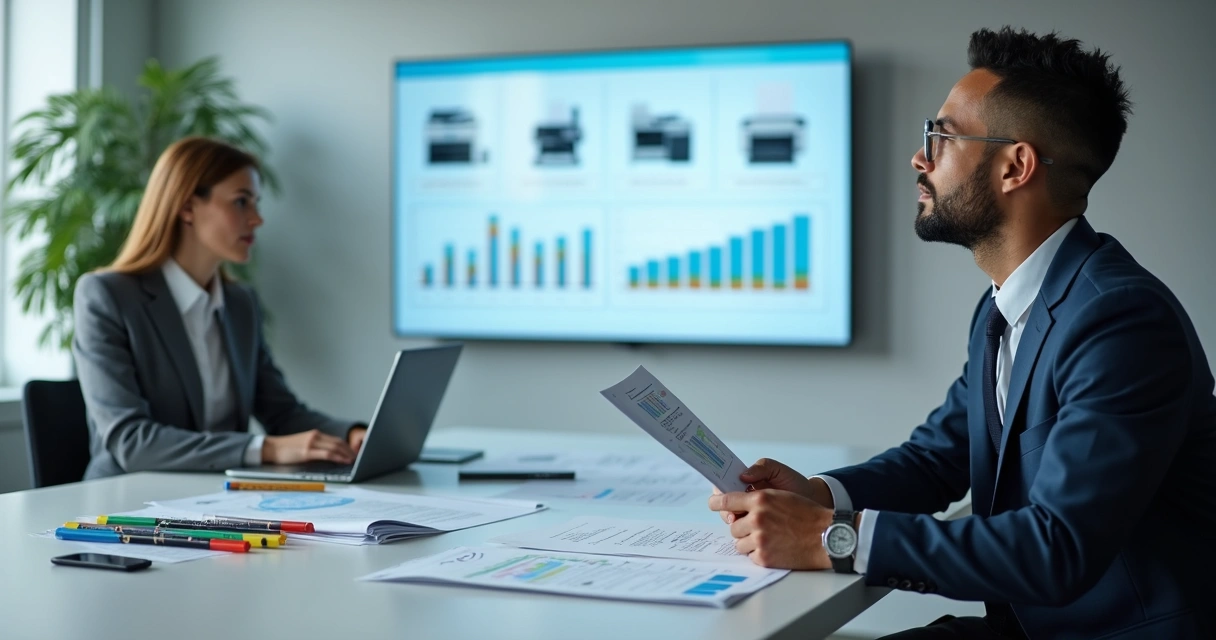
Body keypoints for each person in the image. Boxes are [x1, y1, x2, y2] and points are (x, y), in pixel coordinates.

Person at [709, 27, 1216, 639]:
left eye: (942, 137)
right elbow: (937, 459)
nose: (920, 158)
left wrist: (832, 538)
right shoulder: (1004, 307)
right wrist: (822, 495)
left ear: (1015, 167)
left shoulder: (1121, 320)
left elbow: (1058, 549)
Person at [74, 137, 367, 479]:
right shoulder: (107, 297)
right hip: (125, 507)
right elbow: (132, 442)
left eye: (256, 203)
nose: (257, 219)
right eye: (242, 202)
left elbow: (282, 413)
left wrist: (352, 434)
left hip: (217, 503)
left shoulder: (240, 305)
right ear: (186, 207)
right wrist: (265, 448)